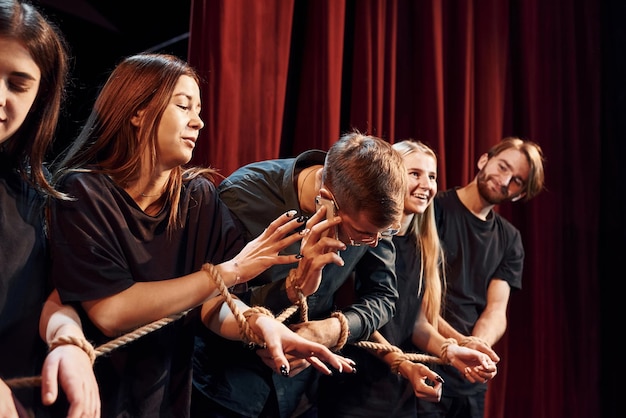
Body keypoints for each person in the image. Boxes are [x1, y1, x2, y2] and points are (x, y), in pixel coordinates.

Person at [47, 52, 355, 417]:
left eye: (199, 109)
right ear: (138, 112)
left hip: (167, 397)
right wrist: (229, 272)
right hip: (90, 393)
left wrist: (259, 325)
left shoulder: (199, 197)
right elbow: (111, 311)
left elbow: (214, 306)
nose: (199, 121)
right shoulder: (83, 192)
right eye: (183, 106)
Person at [192, 130, 407, 417]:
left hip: (302, 392)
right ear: (326, 199)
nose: (375, 243)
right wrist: (292, 289)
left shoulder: (372, 213)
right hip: (227, 386)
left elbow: (383, 297)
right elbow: (213, 299)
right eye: (363, 234)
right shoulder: (244, 195)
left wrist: (329, 331)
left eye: (385, 233)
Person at [316, 139, 497, 417]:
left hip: (398, 390)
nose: (426, 184)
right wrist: (399, 361)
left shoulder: (423, 246)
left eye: (432, 176)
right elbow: (356, 315)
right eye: (415, 173)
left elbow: (417, 324)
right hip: (351, 386)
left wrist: (454, 348)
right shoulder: (363, 237)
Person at [0, 1, 99, 416]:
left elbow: (49, 298)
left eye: (18, 84)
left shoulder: (34, 198)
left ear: (39, 101)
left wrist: (67, 340)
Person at [415, 137, 545, 417]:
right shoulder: (431, 209)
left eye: (517, 181)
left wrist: (479, 344)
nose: (504, 180)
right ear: (484, 160)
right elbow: (415, 296)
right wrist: (459, 343)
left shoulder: (510, 239)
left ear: (519, 194)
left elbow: (497, 309)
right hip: (421, 360)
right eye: (503, 167)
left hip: (469, 378)